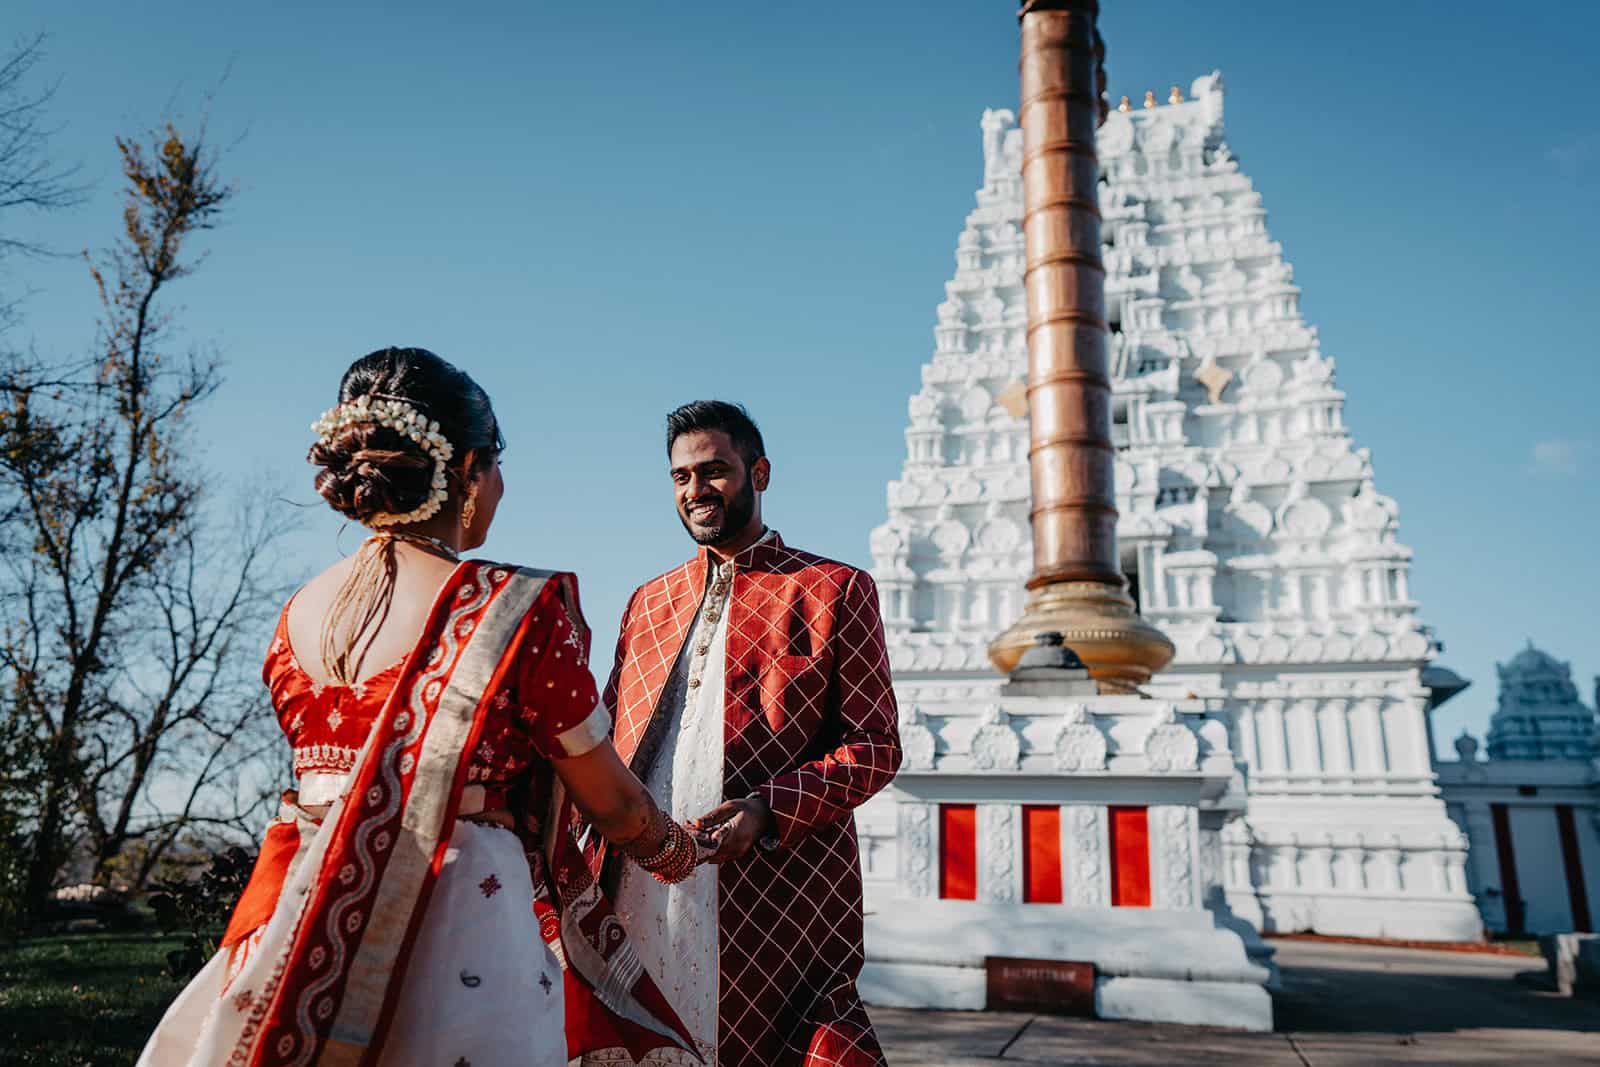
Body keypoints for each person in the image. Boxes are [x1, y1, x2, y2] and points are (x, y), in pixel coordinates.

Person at [138, 348, 700, 1067]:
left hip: (299, 920)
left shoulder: (295, 616)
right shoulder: (514, 612)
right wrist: (689, 852)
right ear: (465, 471)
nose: (500, 482)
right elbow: (615, 808)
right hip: (463, 920)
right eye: (495, 462)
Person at [585, 401, 902, 1067]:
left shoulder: (832, 589)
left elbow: (876, 744)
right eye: (680, 477)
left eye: (713, 471)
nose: (695, 490)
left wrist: (767, 810)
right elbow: (607, 734)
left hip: (774, 895)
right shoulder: (649, 601)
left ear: (758, 471)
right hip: (642, 887)